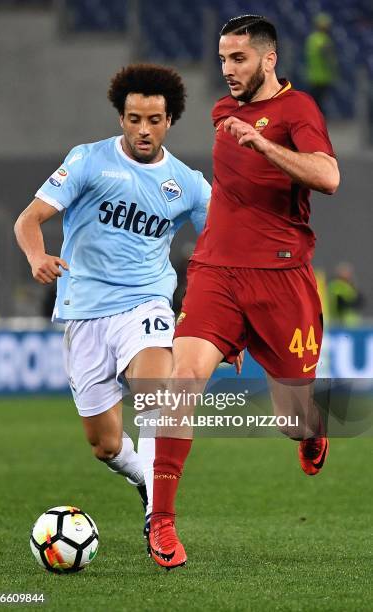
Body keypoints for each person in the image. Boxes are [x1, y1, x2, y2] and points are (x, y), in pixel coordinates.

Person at [148, 15, 340, 569]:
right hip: (215, 273)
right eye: (223, 58)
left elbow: (327, 178)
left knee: (292, 419)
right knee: (180, 380)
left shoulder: (299, 110)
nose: (228, 70)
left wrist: (263, 144)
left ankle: (312, 433)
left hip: (282, 280)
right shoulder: (222, 112)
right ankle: (161, 521)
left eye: (239, 59)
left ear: (268, 59)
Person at [14, 63, 211, 551]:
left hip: (145, 303)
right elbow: (29, 218)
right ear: (121, 117)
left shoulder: (187, 185)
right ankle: (145, 478)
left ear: (170, 121)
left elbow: (224, 247)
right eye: (133, 118)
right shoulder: (87, 161)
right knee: (104, 444)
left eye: (154, 120)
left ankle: (157, 516)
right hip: (84, 312)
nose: (143, 129)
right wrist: (37, 255)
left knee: (156, 391)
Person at [305, 13, 338, 114]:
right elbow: (329, 58)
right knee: (319, 104)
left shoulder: (311, 39)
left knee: (314, 102)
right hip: (323, 77)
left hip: (312, 76)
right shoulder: (324, 40)